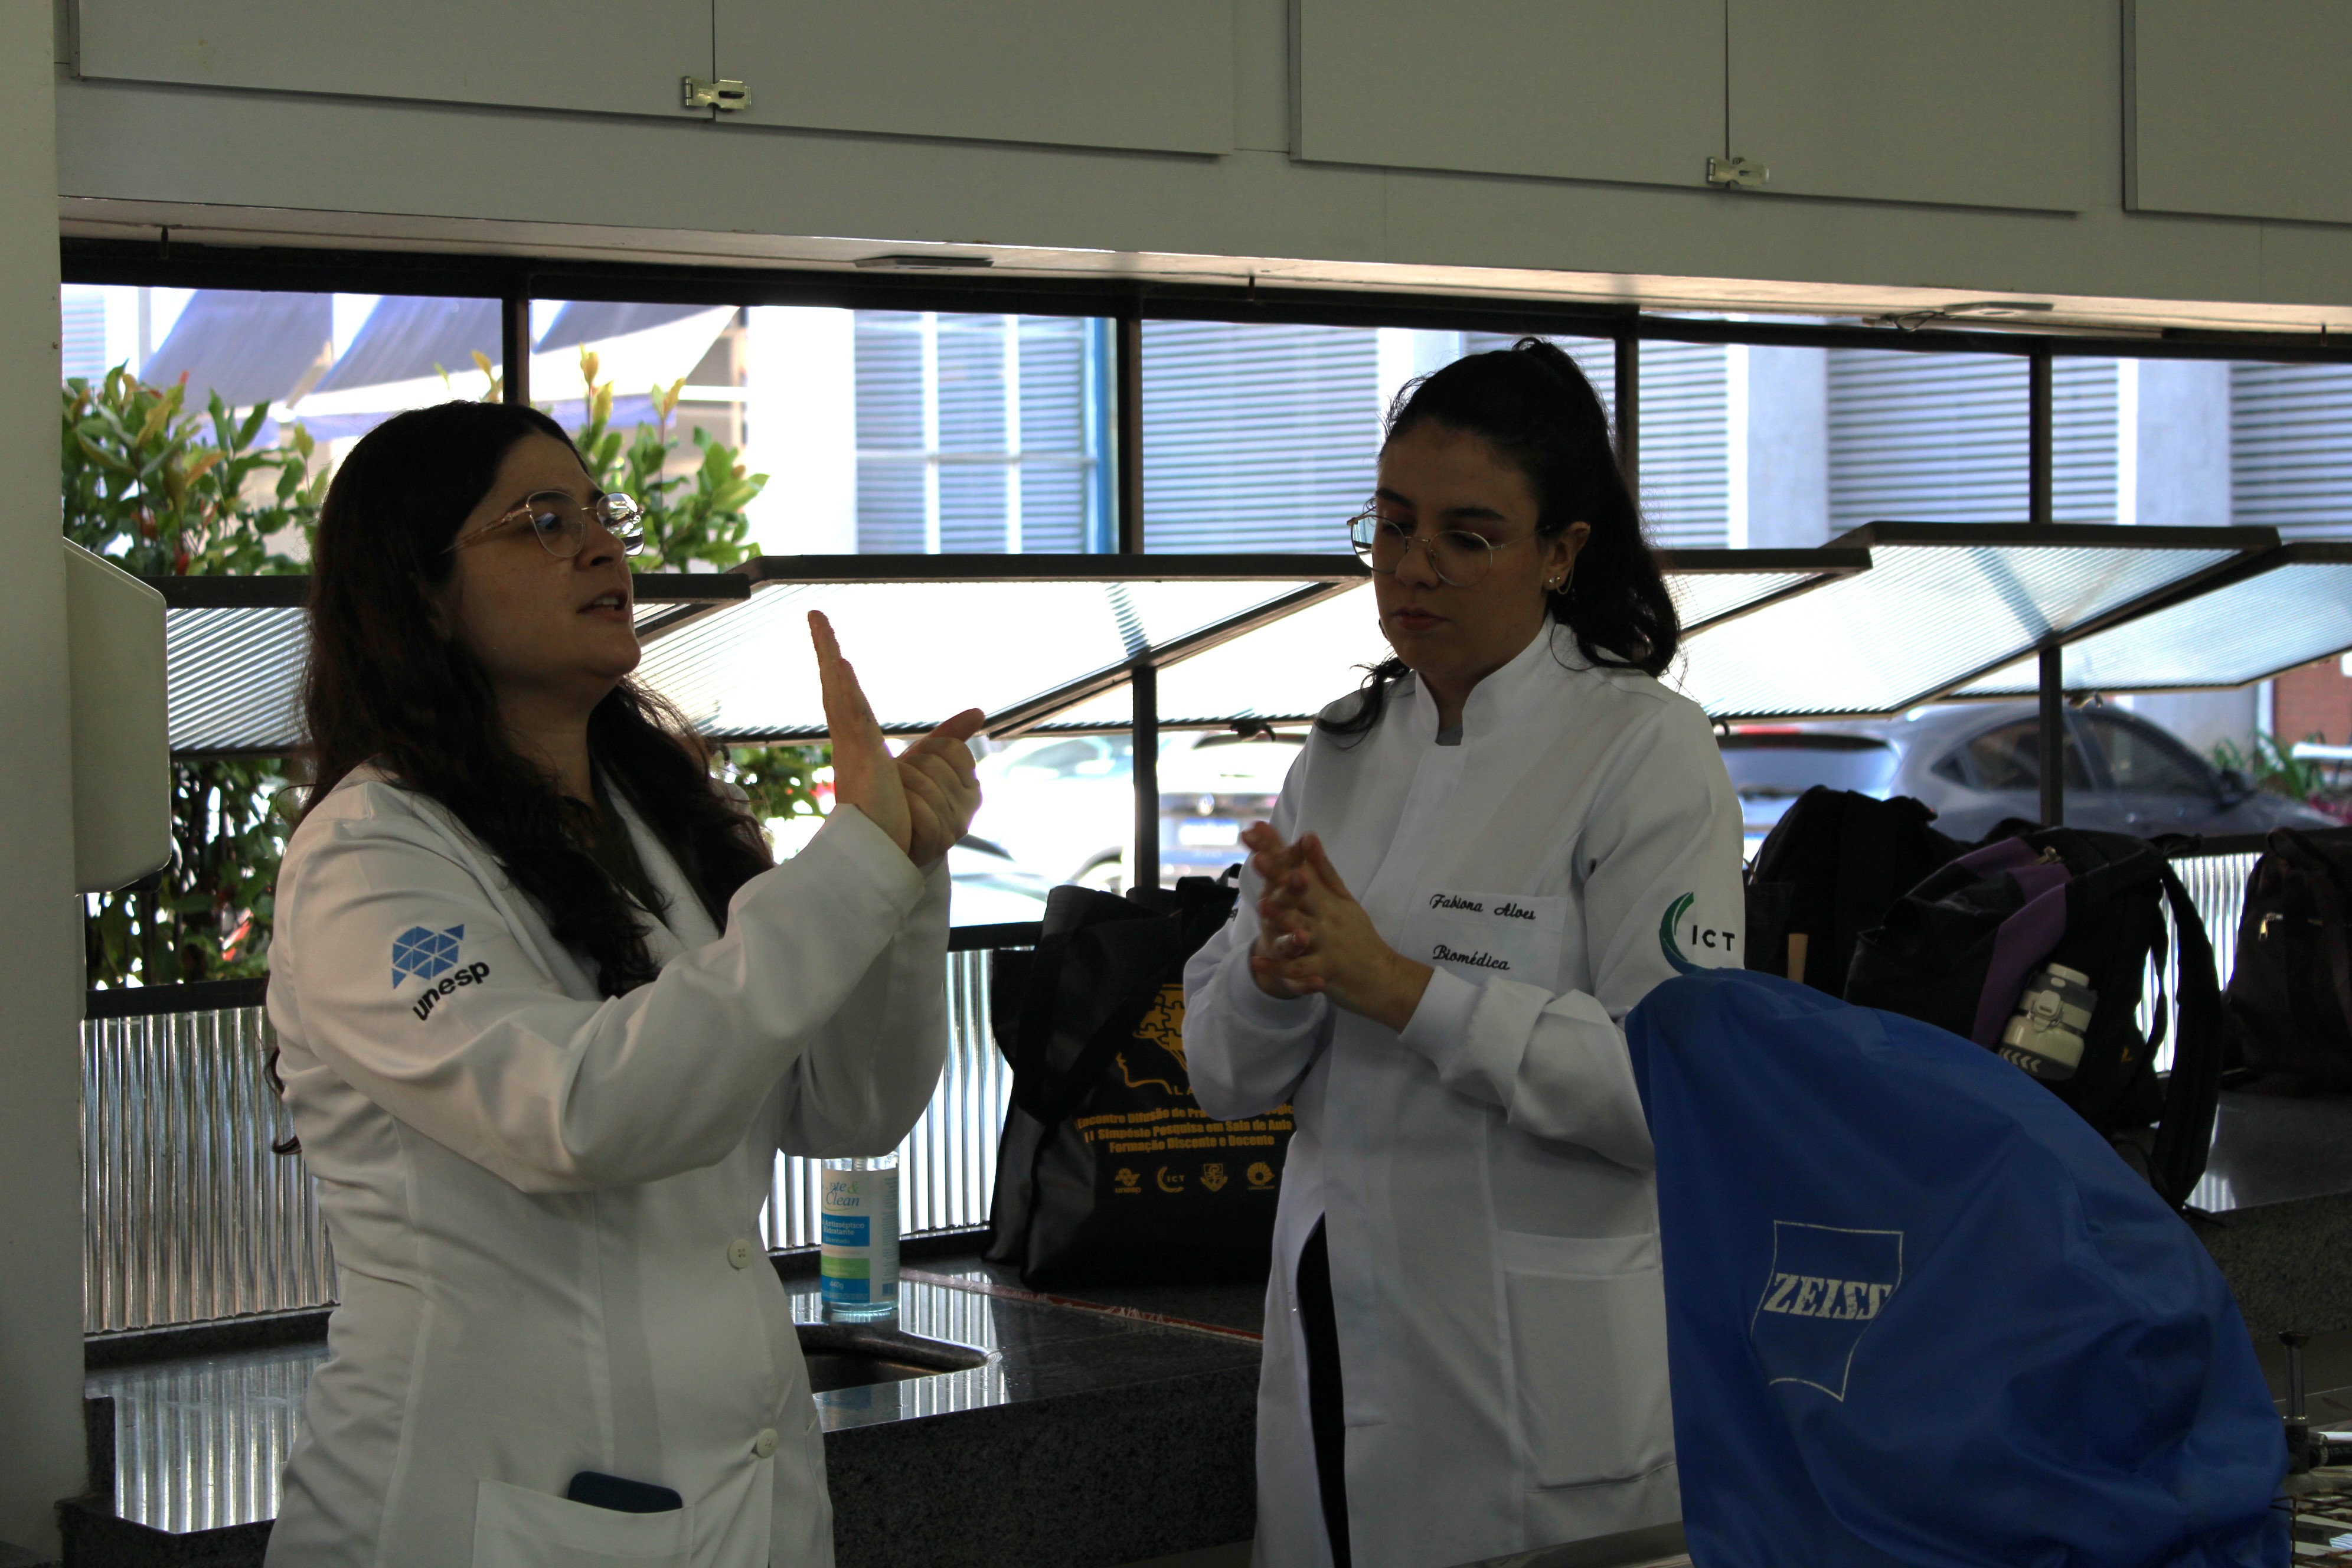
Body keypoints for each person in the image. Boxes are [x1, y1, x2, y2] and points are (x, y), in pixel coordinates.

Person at [262, 401, 982, 1568]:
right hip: (482, 1512)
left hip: (735, 1506)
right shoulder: (368, 856)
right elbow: (581, 1111)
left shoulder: (659, 820)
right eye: (544, 521)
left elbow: (852, 1105)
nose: (603, 545)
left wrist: (903, 872)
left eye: (601, 512)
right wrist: (856, 863)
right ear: (423, 594)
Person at [1182, 339, 1746, 1568]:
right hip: (1337, 1347)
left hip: (1538, 1394)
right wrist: (1275, 978)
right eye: (1392, 525)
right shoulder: (1340, 750)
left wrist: (1405, 990)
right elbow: (1222, 1075)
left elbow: (1670, 1090)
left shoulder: (1642, 748)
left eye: (1468, 536)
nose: (1413, 567)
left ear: (1561, 551)